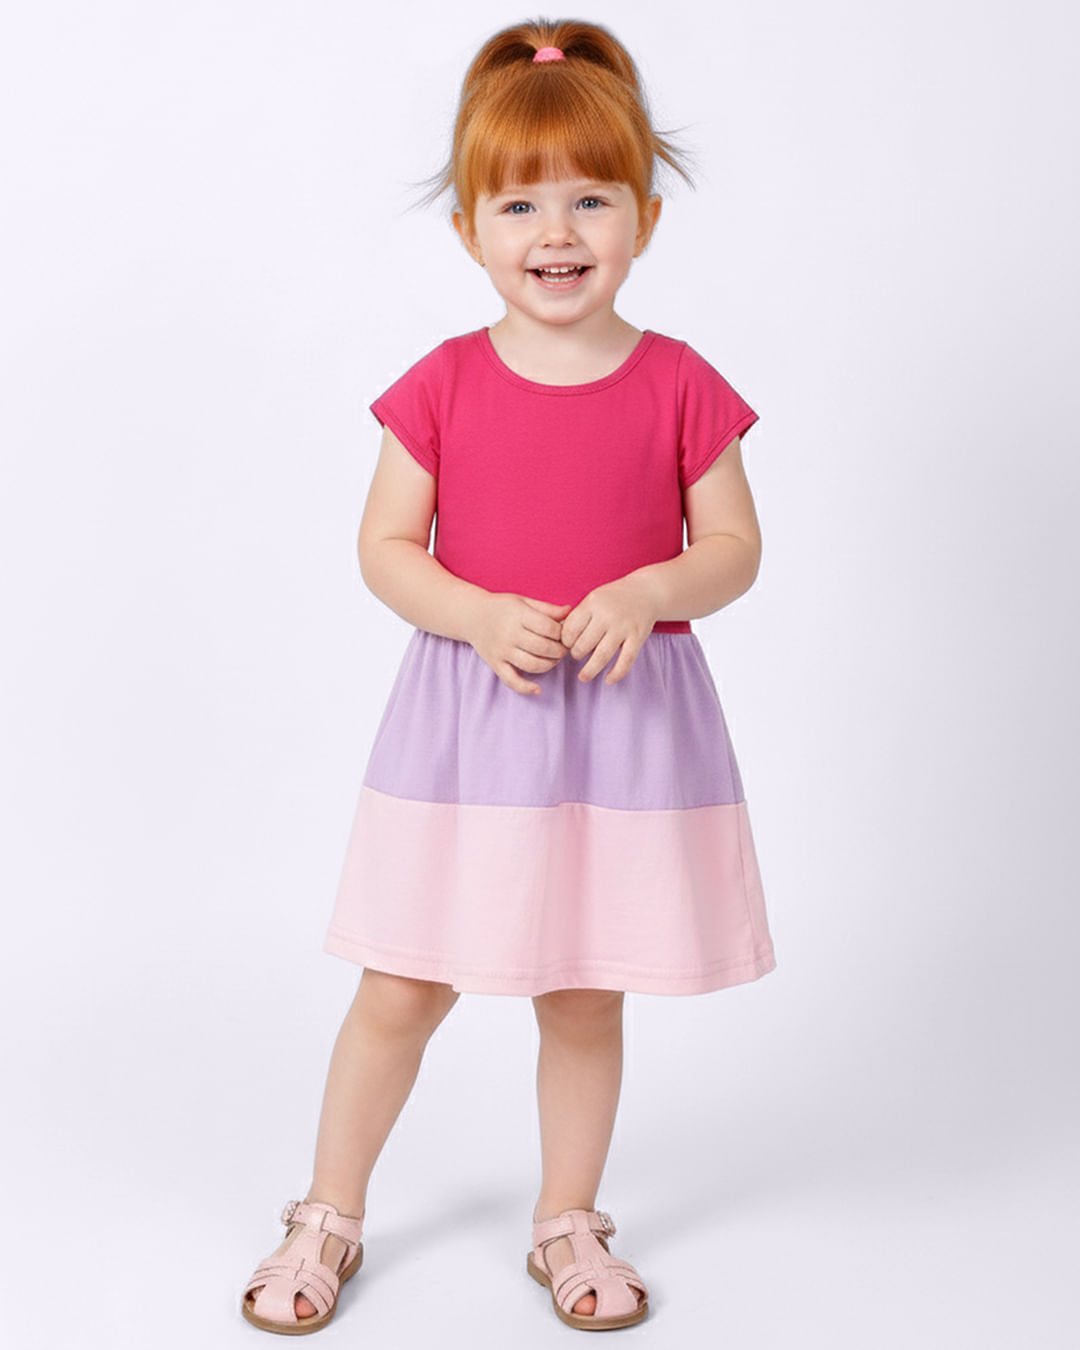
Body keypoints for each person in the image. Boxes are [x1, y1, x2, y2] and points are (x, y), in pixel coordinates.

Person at [240, 16, 777, 1335]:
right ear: (469, 230)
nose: (557, 231)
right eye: (520, 204)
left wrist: (649, 591)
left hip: (619, 735)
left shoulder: (680, 382)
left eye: (591, 198)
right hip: (471, 729)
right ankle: (327, 1210)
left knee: (584, 989)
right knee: (402, 982)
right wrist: (475, 614)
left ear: (645, 218)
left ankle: (568, 1216)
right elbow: (384, 547)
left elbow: (734, 549)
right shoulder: (441, 384)